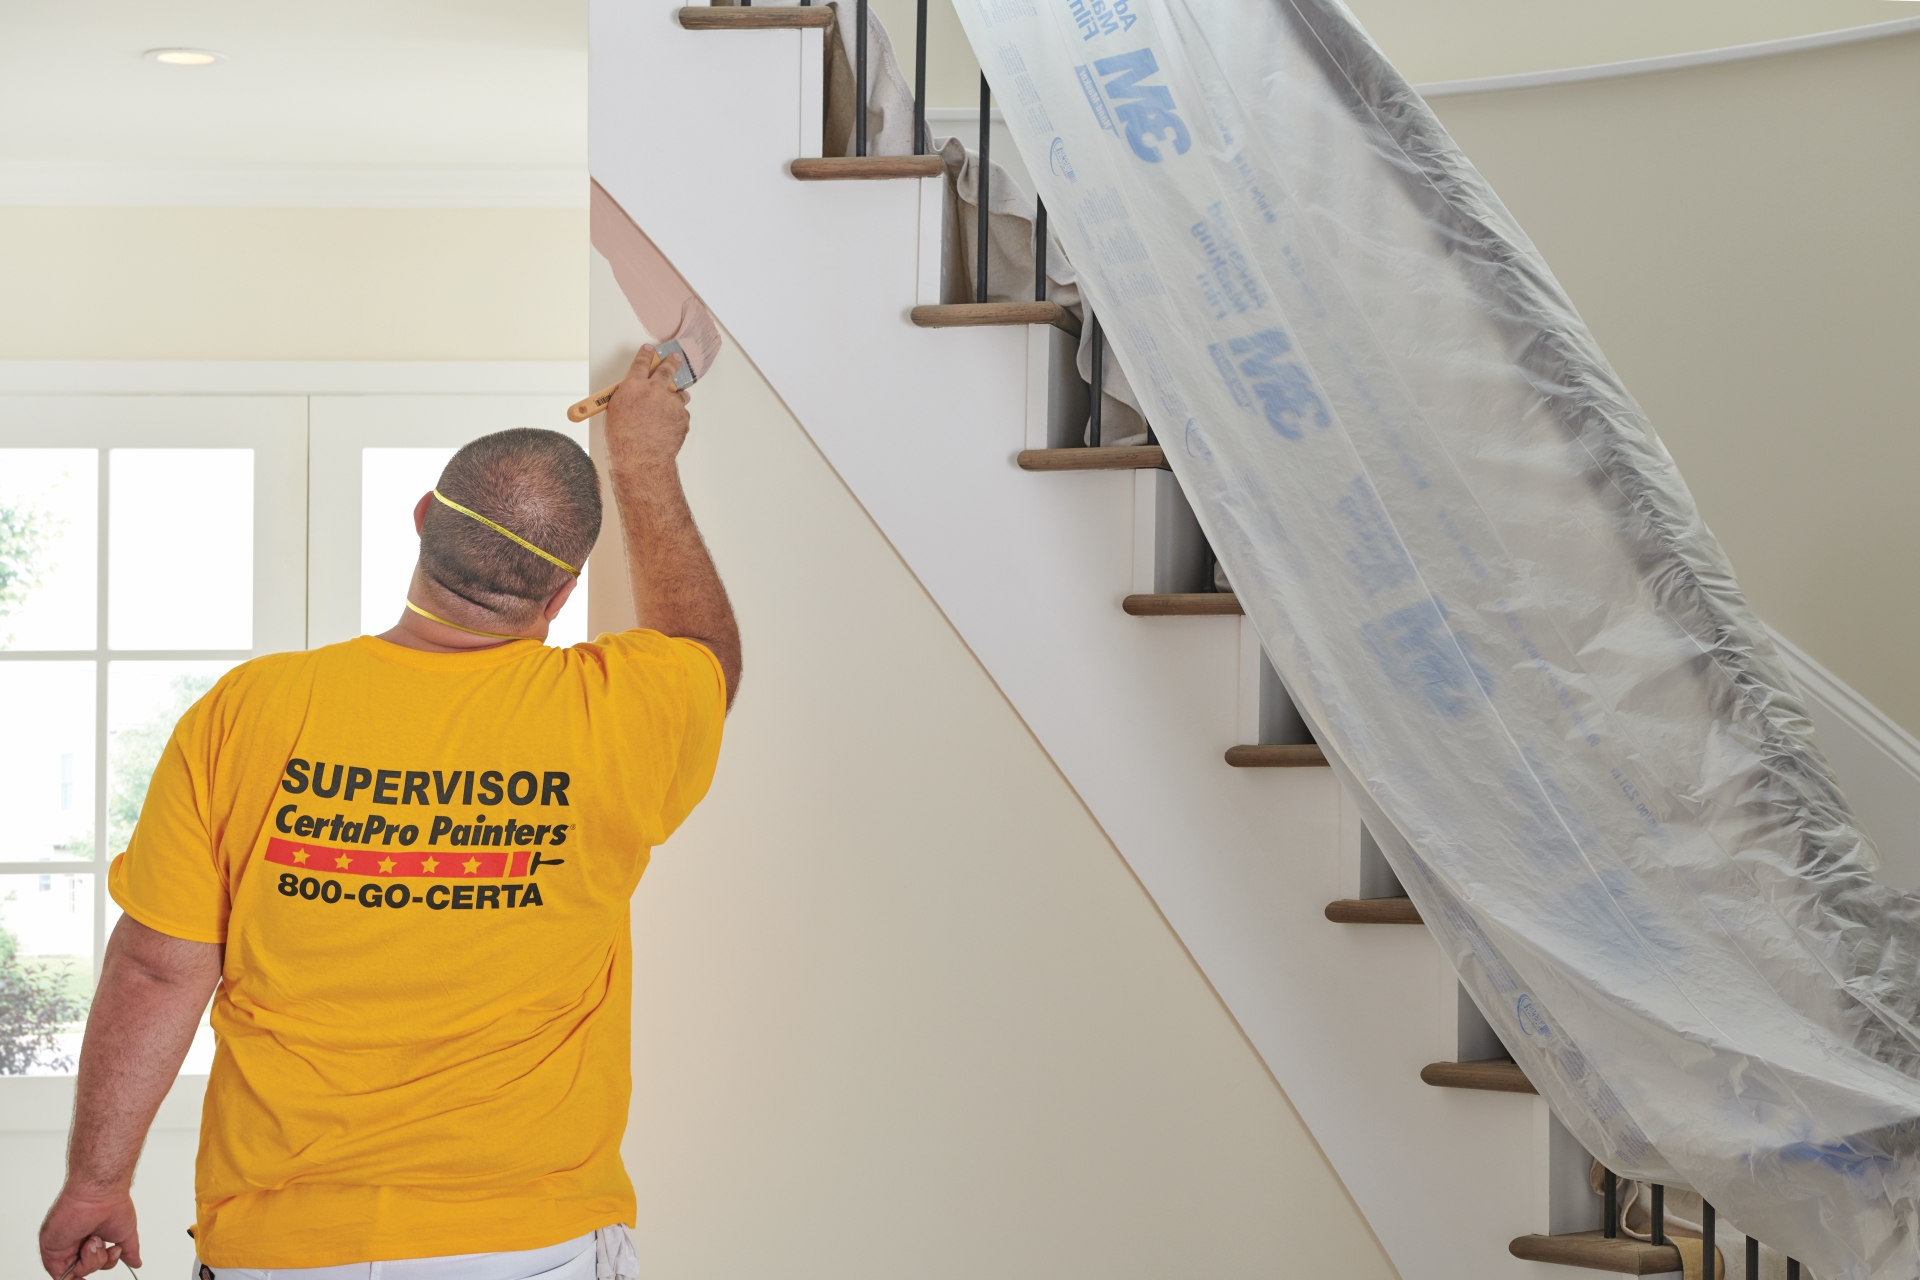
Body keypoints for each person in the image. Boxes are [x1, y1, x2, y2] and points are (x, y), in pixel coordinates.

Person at [38, 347, 740, 1280]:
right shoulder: (617, 710)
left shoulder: (249, 710)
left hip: (286, 1249)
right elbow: (701, 648)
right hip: (528, 1242)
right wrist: (645, 462)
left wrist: (96, 1181)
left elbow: (160, 970)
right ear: (564, 594)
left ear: (422, 524)